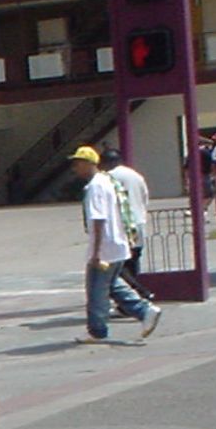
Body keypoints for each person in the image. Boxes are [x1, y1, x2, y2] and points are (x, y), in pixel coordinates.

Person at [68, 145, 161, 343]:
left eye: (77, 164)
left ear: (88, 164)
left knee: (96, 290)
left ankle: (97, 331)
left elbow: (99, 219)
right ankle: (145, 311)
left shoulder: (95, 187)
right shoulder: (107, 181)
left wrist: (96, 252)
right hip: (118, 244)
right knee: (112, 285)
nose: (74, 168)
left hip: (106, 248)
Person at [99, 147, 153, 300]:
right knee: (133, 261)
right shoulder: (136, 175)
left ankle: (138, 293)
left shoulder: (106, 177)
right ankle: (135, 295)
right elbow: (144, 199)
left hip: (120, 226)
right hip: (138, 222)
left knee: (117, 265)